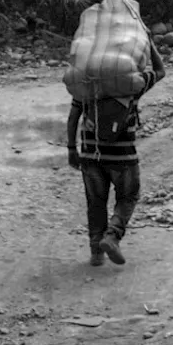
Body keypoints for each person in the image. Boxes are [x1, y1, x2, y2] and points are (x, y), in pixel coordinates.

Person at [66, 40, 166, 267]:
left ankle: (96, 253)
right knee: (128, 196)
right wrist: (149, 44)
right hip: (124, 158)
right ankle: (112, 236)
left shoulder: (85, 84)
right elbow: (160, 71)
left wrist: (72, 148)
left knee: (95, 202)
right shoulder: (132, 84)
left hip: (91, 155)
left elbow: (73, 118)